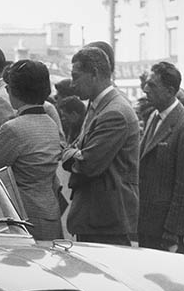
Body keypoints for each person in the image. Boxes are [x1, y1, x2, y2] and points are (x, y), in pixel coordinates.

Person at [60, 46, 139, 245]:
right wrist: (74, 152)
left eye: (76, 76)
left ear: (94, 73)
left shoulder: (114, 112)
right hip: (98, 218)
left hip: (105, 221)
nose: (72, 83)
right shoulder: (99, 106)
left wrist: (69, 154)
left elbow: (87, 164)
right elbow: (76, 147)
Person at [0, 59, 63, 241]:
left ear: (14, 90)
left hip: (23, 215)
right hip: (50, 211)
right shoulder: (51, 124)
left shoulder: (12, 129)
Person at [137, 61, 184, 252]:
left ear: (170, 90)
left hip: (165, 228)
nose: (145, 89)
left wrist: (171, 232)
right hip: (148, 222)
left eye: (152, 85)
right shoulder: (154, 117)